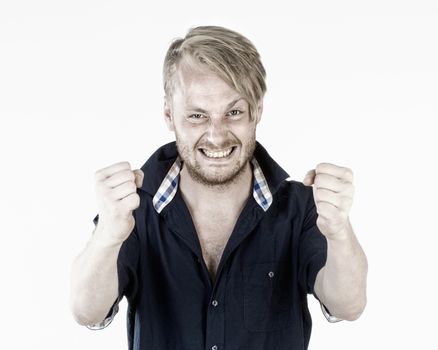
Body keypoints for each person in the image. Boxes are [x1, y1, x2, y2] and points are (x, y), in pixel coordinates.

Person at [70, 25, 368, 350]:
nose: (216, 135)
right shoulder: (132, 210)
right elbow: (87, 311)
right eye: (197, 116)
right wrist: (108, 236)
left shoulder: (300, 208)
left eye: (234, 112)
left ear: (258, 111)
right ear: (170, 116)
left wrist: (339, 231)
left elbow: (348, 305)